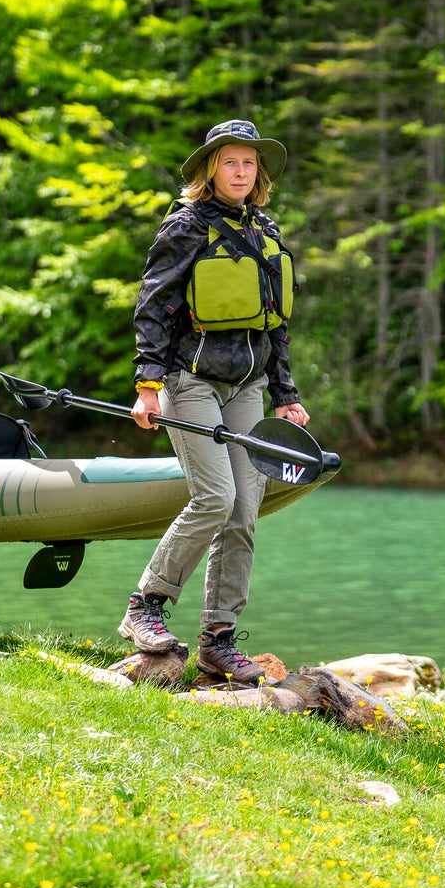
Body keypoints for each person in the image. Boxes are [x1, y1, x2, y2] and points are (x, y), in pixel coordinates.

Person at [118, 118, 310, 684]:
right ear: (209, 170)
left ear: (260, 174)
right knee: (215, 497)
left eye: (250, 163)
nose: (242, 172)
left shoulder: (264, 231)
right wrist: (148, 384)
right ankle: (145, 606)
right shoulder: (186, 228)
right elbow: (153, 307)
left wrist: (286, 397)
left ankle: (217, 641)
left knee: (244, 512)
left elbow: (274, 325)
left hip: (247, 388)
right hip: (190, 381)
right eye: (230, 162)